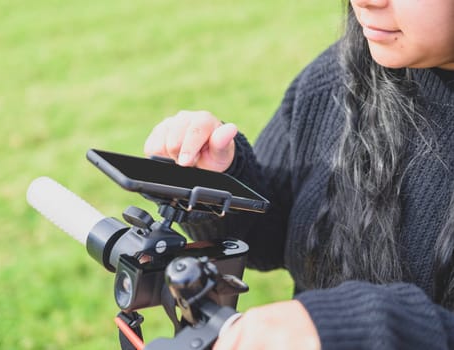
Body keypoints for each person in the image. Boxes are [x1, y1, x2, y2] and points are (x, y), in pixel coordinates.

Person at [144, 0, 454, 349]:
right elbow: (271, 238)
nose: (366, 1)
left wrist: (363, 328)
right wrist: (219, 180)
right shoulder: (336, 79)